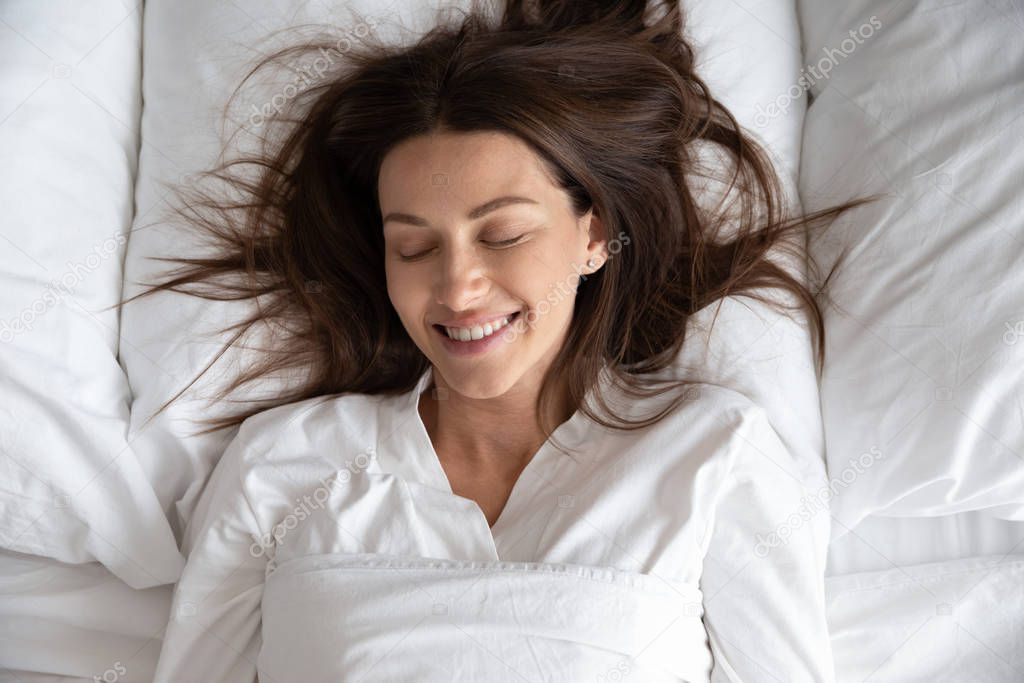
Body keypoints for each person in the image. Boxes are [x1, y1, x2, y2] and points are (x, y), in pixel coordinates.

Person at [143, 1, 872, 679]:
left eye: (503, 234)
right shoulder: (283, 463)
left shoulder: (712, 454)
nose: (458, 289)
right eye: (415, 247)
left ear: (593, 236)